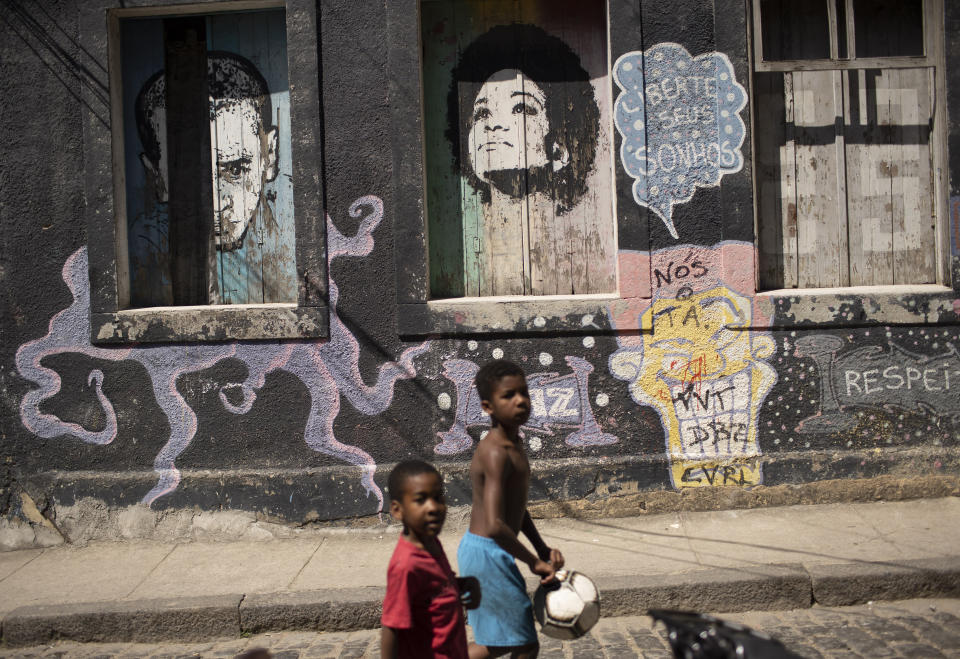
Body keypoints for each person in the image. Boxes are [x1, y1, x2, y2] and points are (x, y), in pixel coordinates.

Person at [130, 51, 280, 305]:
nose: (218, 203)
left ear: (271, 156)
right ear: (156, 177)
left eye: (234, 171)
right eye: (188, 179)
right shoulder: (141, 253)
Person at [457, 360, 565, 659]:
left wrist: (542, 548)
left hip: (493, 550)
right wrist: (534, 562)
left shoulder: (515, 443)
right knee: (522, 643)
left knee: (503, 642)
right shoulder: (495, 453)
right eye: (508, 395)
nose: (520, 400)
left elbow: (516, 508)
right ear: (488, 407)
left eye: (524, 392)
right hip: (487, 553)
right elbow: (494, 525)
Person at [381, 460, 480, 659]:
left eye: (438, 497)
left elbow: (437, 588)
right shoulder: (406, 565)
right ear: (397, 510)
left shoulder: (431, 543)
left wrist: (463, 584)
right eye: (420, 500)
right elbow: (391, 627)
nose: (433, 507)